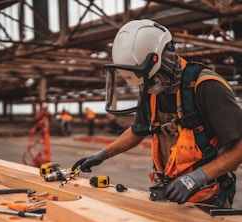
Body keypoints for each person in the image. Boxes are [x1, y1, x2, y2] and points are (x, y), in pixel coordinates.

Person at [72, 19, 242, 208]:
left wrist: (196, 178)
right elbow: (138, 130)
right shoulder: (150, 88)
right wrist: (103, 154)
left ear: (164, 60)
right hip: (168, 193)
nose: (148, 86)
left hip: (209, 197)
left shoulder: (206, 87)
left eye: (151, 79)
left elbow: (239, 147)